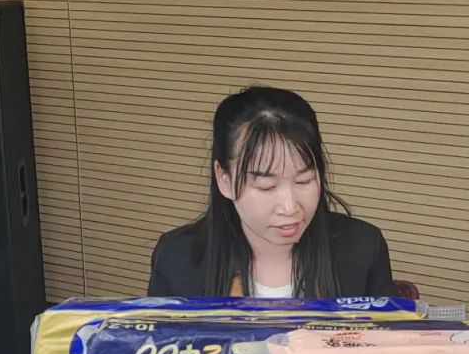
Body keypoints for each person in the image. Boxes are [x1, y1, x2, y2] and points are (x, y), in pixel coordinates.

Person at [148, 85, 397, 300]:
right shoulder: (178, 257)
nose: (290, 207)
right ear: (224, 179)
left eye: (304, 180)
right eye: (266, 186)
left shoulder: (363, 248)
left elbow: (386, 338)